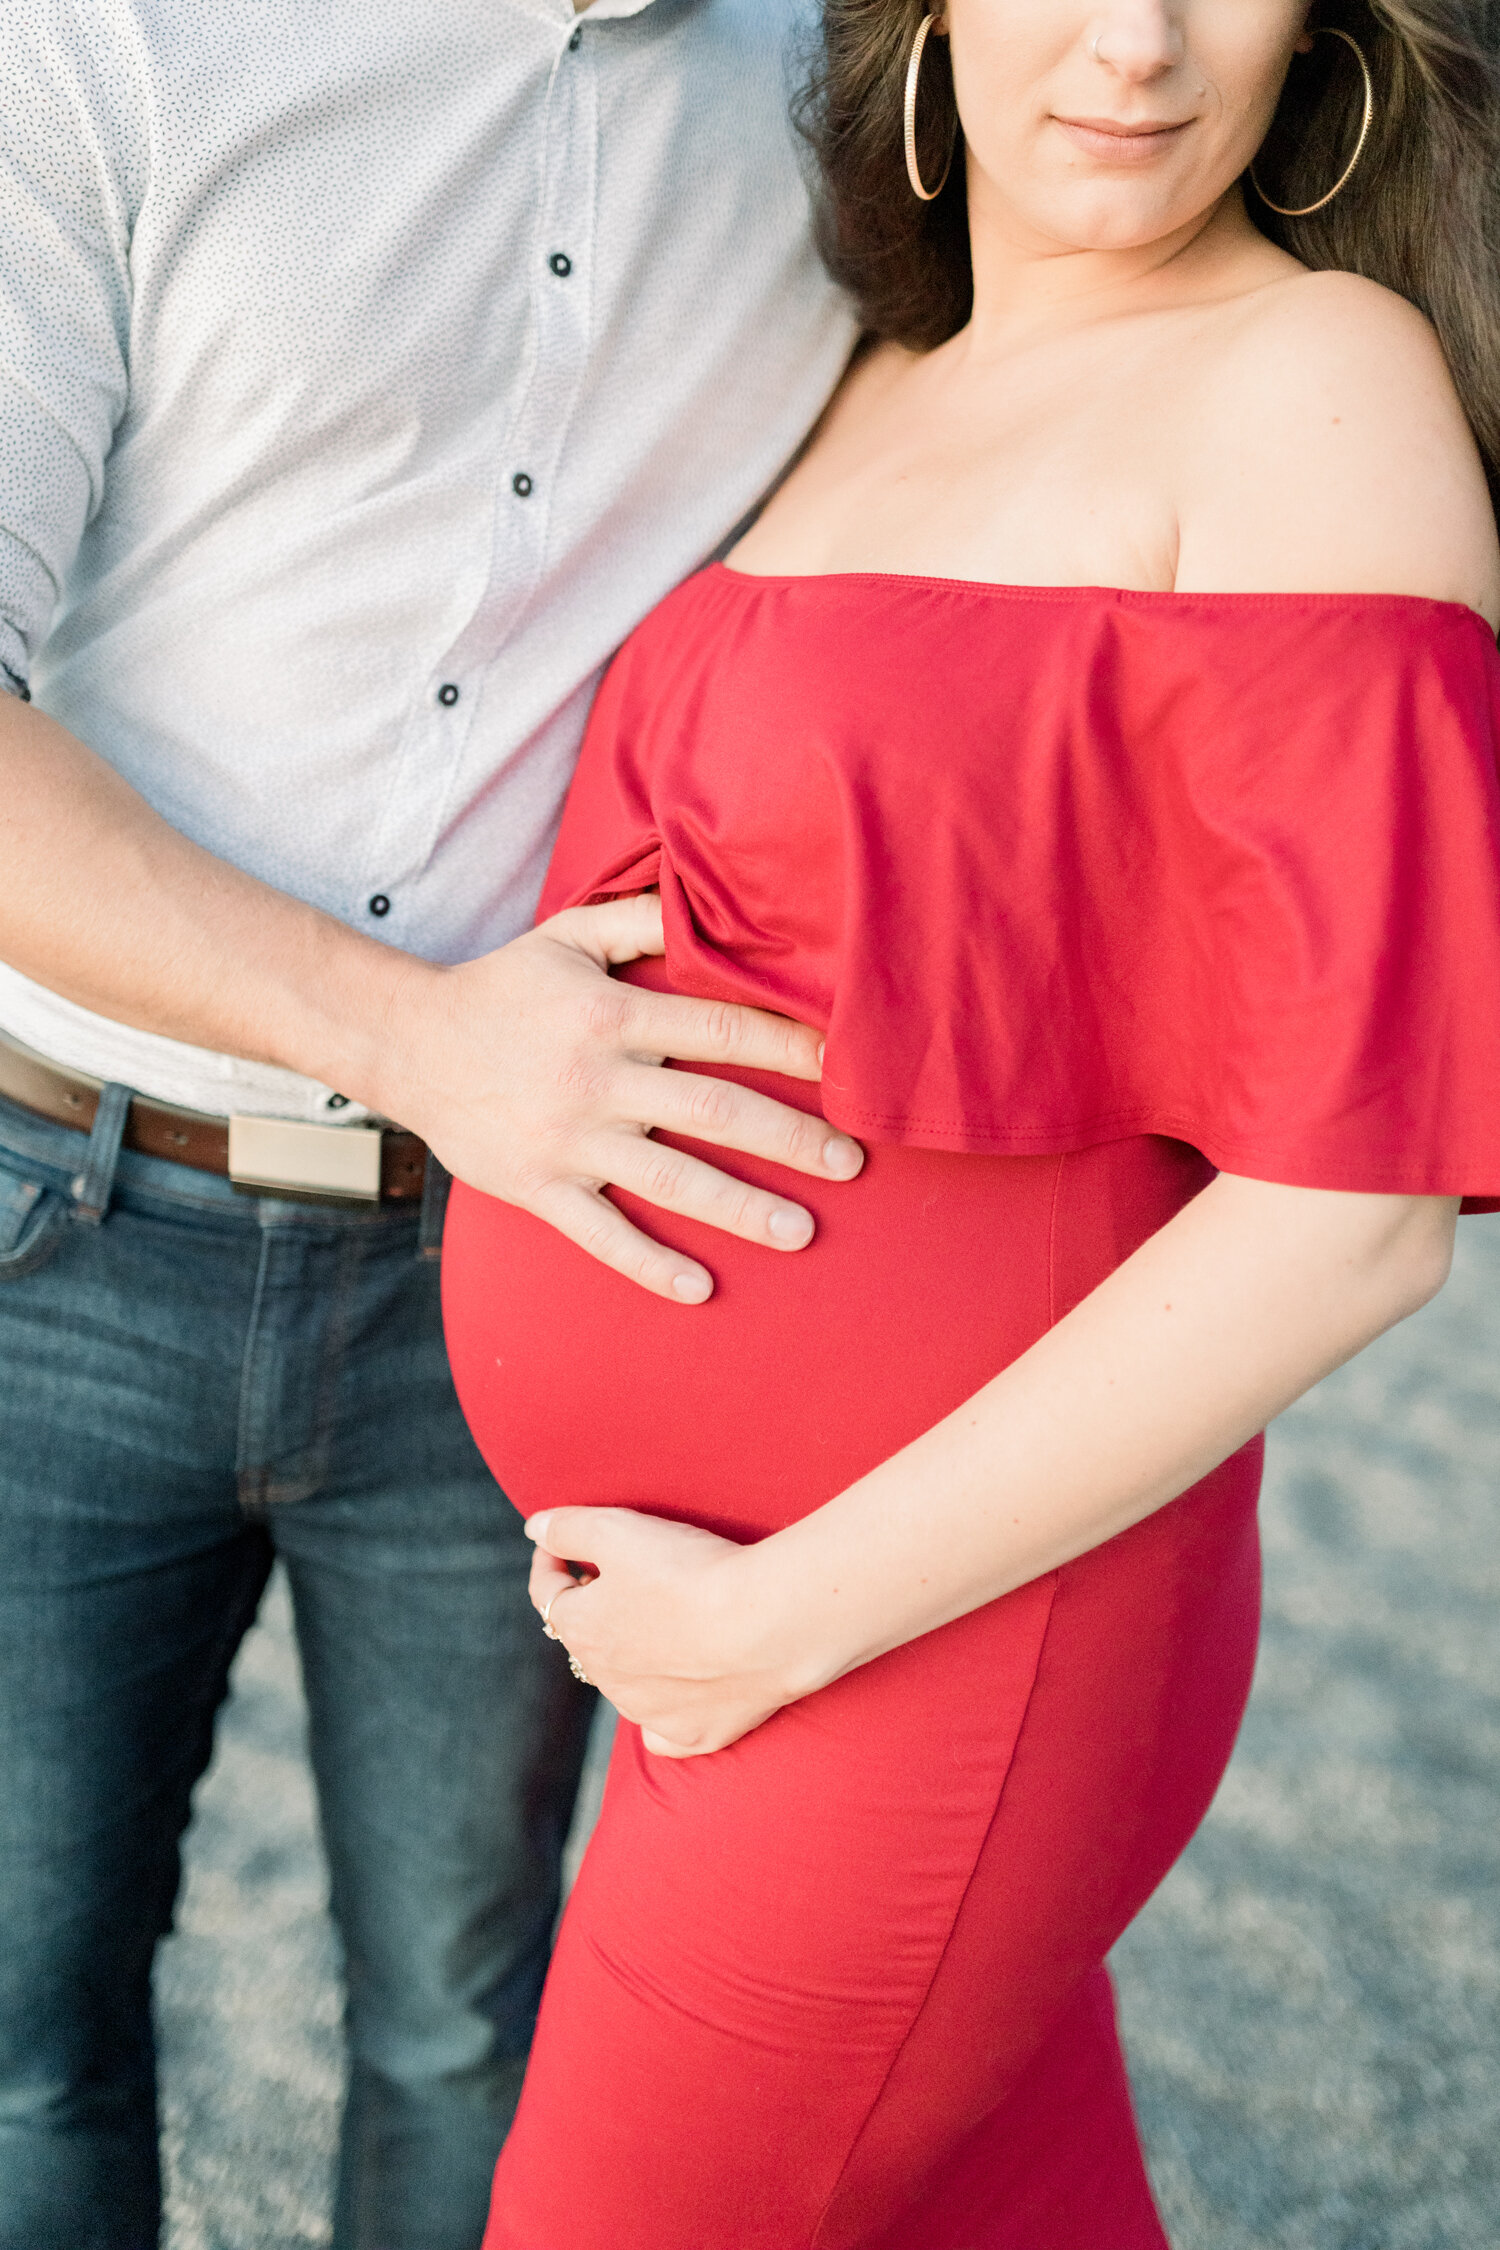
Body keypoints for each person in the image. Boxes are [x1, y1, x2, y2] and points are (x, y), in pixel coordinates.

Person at [440, 0, 1500, 2243]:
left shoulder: (1308, 379)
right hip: (735, 1620)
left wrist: (783, 1621)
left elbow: (1358, 1212)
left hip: (928, 1629)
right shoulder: (860, 372)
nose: (1133, 45)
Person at [0, 6, 864, 2246]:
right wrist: (422, 1037)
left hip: (524, 1266)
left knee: (469, 2027)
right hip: (47, 1235)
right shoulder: (109, 46)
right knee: (17, 2034)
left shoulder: (858, 83)